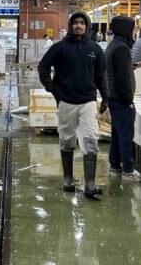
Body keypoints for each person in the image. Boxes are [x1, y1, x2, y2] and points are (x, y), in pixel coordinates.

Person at [37, 11, 108, 198]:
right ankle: (68, 179)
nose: (79, 26)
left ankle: (90, 184)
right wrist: (53, 89)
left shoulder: (95, 49)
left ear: (87, 26)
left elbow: (101, 76)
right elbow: (43, 67)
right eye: (75, 23)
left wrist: (105, 97)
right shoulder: (59, 48)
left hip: (88, 101)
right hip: (66, 101)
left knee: (91, 138)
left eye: (82, 23)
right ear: (71, 26)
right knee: (67, 139)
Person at [104, 15, 138, 180]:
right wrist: (129, 100)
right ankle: (128, 171)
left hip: (113, 97)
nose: (133, 32)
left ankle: (115, 166)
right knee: (125, 134)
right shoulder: (122, 48)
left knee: (117, 133)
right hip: (121, 98)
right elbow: (123, 77)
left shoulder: (113, 45)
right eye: (132, 29)